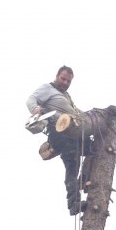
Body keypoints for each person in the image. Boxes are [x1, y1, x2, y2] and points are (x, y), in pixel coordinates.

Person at [26, 66, 87, 216]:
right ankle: (74, 203)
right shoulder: (48, 88)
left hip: (72, 131)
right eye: (63, 78)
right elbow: (31, 99)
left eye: (68, 81)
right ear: (57, 76)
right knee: (72, 162)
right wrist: (35, 110)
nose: (65, 82)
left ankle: (85, 180)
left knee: (93, 148)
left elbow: (75, 111)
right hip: (57, 130)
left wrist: (87, 117)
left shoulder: (66, 96)